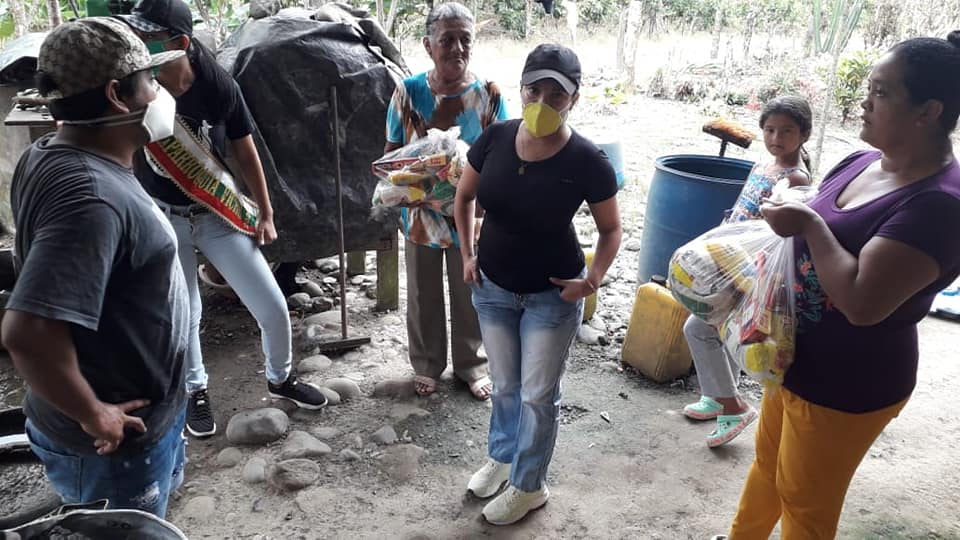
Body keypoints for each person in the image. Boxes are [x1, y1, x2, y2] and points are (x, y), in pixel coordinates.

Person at [714, 32, 960, 539]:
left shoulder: (937, 206)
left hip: (848, 383)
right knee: (768, 469)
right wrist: (796, 196)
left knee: (804, 503)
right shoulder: (861, 161)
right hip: (789, 359)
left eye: (881, 93)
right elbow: (823, 206)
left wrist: (807, 222)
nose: (864, 103)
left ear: (929, 111)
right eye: (868, 89)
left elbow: (861, 302)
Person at [2, 17, 189, 517]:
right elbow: (27, 333)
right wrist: (93, 414)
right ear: (116, 95)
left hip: (149, 418)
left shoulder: (51, 151)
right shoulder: (90, 199)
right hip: (114, 445)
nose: (160, 92)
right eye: (150, 80)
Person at [117, 0, 327, 438]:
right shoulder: (132, 81)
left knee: (272, 306)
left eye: (150, 35)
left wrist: (266, 212)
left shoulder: (216, 85)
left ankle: (280, 378)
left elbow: (245, 147)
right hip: (162, 217)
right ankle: (195, 390)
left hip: (213, 213)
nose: (140, 42)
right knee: (187, 312)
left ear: (180, 43)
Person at [454, 43, 622, 525]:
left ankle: (530, 485)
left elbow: (612, 229)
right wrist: (467, 255)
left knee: (537, 395)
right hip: (492, 289)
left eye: (557, 95)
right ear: (522, 88)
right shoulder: (495, 138)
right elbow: (464, 198)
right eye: (534, 90)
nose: (543, 102)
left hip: (552, 297)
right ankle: (502, 457)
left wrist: (591, 280)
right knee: (506, 385)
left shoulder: (587, 160)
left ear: (574, 99)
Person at [383, 1, 508, 400]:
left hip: (472, 214)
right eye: (446, 40)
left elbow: (503, 156)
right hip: (420, 213)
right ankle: (427, 363)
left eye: (465, 39)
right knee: (422, 293)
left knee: (471, 288)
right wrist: (415, 180)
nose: (457, 48)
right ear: (428, 45)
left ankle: (473, 364)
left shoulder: (488, 94)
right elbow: (391, 153)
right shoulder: (409, 91)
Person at [682, 96, 813, 448]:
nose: (776, 138)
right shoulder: (764, 164)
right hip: (733, 258)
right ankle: (718, 394)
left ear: (804, 134)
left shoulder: (796, 177)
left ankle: (732, 406)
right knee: (725, 329)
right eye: (770, 130)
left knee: (700, 327)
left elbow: (782, 231)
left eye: (786, 131)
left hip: (755, 267)